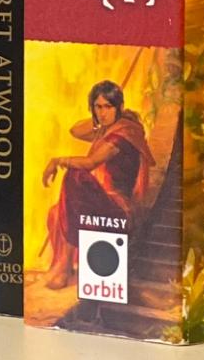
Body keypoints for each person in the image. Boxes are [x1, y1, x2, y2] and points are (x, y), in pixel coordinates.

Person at [37, 80, 157, 288]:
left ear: (119, 107)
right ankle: (64, 267)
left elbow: (91, 162)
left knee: (75, 175)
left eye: (108, 107)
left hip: (117, 207)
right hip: (101, 201)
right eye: (98, 107)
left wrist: (58, 161)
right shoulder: (106, 130)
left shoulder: (123, 135)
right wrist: (98, 120)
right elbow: (75, 131)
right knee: (56, 212)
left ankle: (64, 267)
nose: (102, 113)